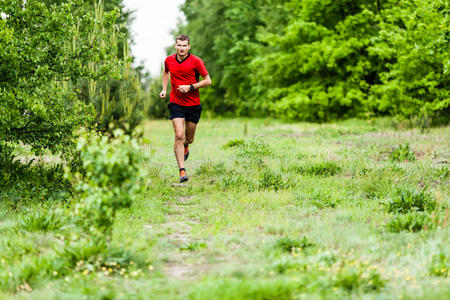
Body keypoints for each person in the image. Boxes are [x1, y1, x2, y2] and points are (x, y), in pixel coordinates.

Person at [159, 34, 212, 183]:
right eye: (179, 45)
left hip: (193, 104)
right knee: (179, 135)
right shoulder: (169, 60)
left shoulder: (196, 62)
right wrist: (164, 89)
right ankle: (182, 171)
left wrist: (191, 87)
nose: (181, 48)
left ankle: (186, 146)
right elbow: (165, 72)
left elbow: (208, 81)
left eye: (184, 46)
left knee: (189, 138)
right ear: (175, 46)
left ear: (188, 47)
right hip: (176, 103)